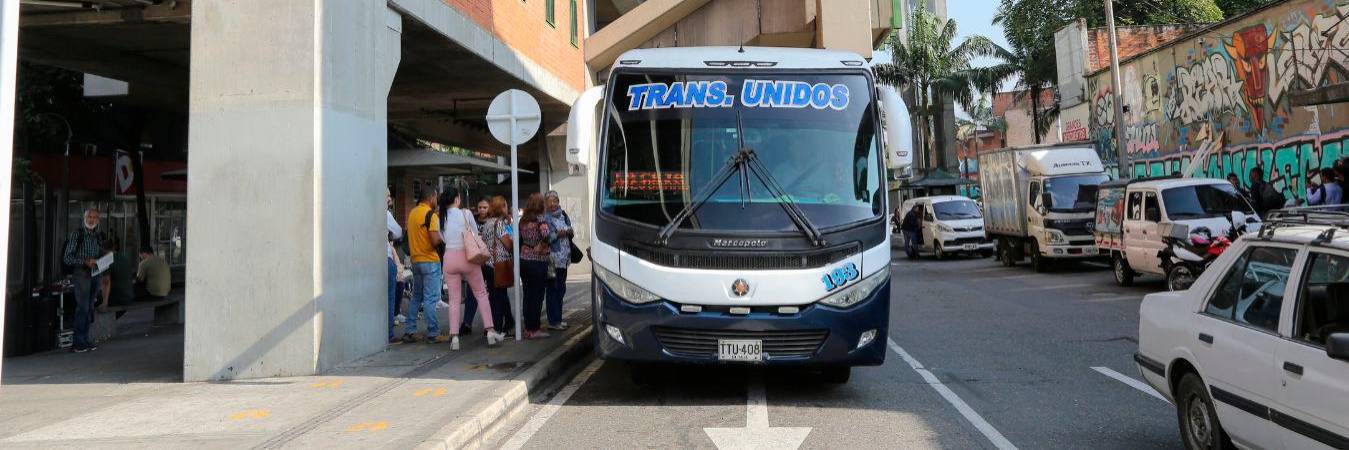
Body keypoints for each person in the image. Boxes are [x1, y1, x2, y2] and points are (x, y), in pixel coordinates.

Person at [439, 187, 505, 350]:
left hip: (449, 258)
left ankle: (454, 337)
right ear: (457, 199)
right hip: (467, 258)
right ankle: (490, 332)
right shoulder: (466, 213)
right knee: (481, 293)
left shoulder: (439, 217)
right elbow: (474, 233)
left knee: (454, 298)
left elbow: (442, 238)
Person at [402, 187, 449, 344]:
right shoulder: (431, 215)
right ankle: (434, 333)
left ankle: (410, 331)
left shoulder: (412, 214)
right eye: (436, 197)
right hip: (430, 261)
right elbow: (435, 240)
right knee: (431, 299)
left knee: (416, 297)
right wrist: (443, 240)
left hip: (415, 260)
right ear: (431, 198)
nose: (436, 201)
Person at [63, 208, 105, 353]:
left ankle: (85, 339)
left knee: (90, 307)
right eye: (89, 217)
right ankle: (78, 342)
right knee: (83, 307)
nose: (91, 219)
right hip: (81, 274)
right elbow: (67, 258)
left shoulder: (98, 236)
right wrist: (84, 262)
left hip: (95, 273)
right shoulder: (77, 234)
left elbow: (98, 254)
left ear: (98, 220)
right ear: (84, 218)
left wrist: (105, 258)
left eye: (94, 217)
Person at [480, 196, 515, 338]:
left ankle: (505, 323)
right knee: (499, 297)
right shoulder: (499, 224)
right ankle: (498, 329)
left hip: (488, 264)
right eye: (505, 206)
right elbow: (508, 244)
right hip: (499, 264)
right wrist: (513, 238)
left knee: (495, 296)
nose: (507, 208)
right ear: (501, 208)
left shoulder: (487, 223)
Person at [519, 193, 553, 340]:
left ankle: (528, 328)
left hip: (524, 260)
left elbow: (520, 239)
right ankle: (535, 329)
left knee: (527, 295)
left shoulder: (523, 221)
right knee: (538, 296)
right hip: (538, 261)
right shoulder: (541, 219)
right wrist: (542, 244)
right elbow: (546, 235)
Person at [543, 191, 574, 331]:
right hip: (553, 259)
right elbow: (547, 238)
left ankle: (559, 319)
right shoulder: (545, 218)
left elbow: (571, 232)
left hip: (565, 258)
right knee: (552, 290)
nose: (553, 204)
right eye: (549, 201)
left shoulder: (564, 215)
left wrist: (570, 232)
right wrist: (558, 234)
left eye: (555, 200)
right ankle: (553, 321)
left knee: (561, 289)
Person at [385, 187, 403, 344]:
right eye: (388, 196)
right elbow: (398, 232)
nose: (390, 199)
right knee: (389, 297)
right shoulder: (385, 214)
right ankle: (388, 333)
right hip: (385, 259)